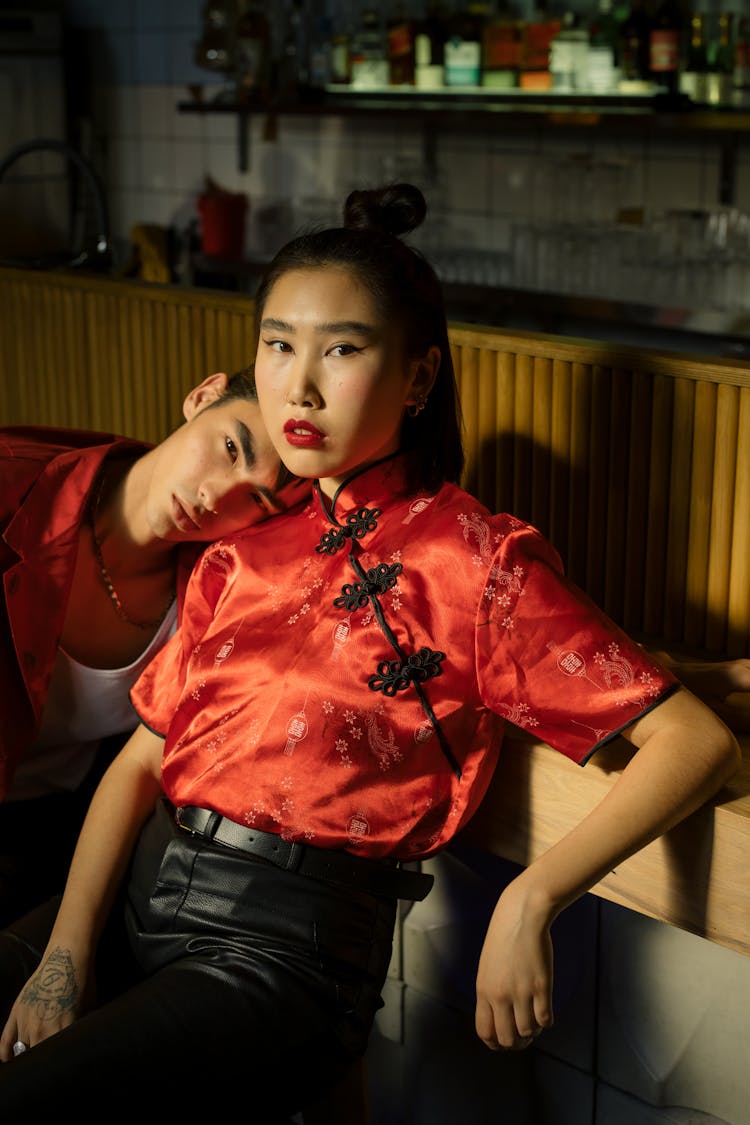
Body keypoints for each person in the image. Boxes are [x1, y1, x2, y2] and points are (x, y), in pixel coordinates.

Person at [0, 184, 740, 1118]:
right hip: (134, 895)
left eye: (341, 349)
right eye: (279, 344)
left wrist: (533, 898)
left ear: (419, 378)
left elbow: (694, 742)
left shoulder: (474, 557)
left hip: (280, 954)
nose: (299, 387)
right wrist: (65, 957)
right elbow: (146, 758)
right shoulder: (244, 543)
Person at [0, 367, 305, 926]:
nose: (218, 496)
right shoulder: (14, 482)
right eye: (231, 447)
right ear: (203, 397)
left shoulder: (211, 592)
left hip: (54, 839)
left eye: (256, 501)